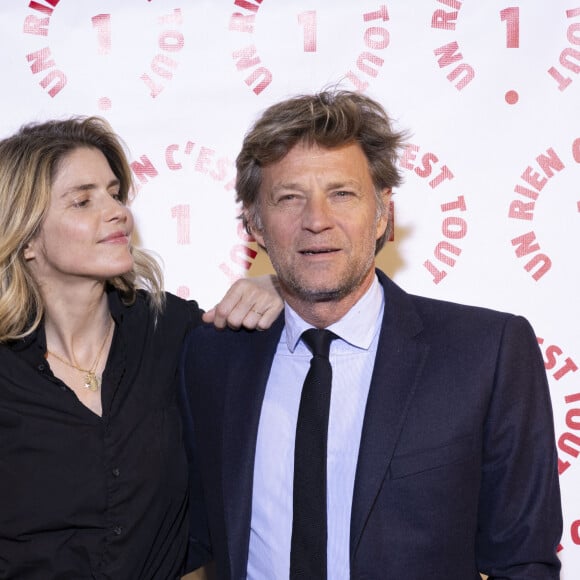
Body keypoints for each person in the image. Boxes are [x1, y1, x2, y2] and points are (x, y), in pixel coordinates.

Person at [180, 90, 563, 579]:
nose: (316, 220)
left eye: (342, 193)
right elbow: (191, 541)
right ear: (254, 223)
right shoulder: (211, 358)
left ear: (384, 214)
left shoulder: (486, 353)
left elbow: (523, 562)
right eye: (289, 198)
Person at [0, 116, 283, 580]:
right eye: (83, 200)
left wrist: (279, 287)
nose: (117, 212)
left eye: (115, 194)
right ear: (28, 237)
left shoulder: (172, 331)